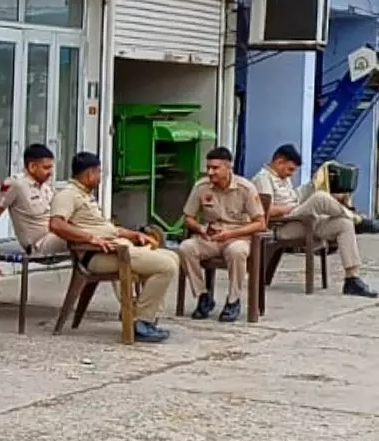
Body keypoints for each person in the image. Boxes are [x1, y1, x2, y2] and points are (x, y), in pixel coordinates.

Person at [47, 152, 176, 343]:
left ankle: (142, 316)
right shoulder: (67, 195)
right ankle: (142, 322)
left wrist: (134, 235)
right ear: (90, 173)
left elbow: (107, 229)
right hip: (97, 256)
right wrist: (90, 238)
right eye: (99, 173)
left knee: (172, 258)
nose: (100, 177)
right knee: (166, 266)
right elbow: (56, 225)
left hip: (115, 248)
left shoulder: (86, 196)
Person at [250, 144, 377, 298]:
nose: (291, 174)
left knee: (344, 224)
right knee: (320, 198)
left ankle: (352, 279)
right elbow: (266, 211)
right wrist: (293, 207)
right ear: (279, 162)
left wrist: (313, 184)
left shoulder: (283, 178)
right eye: (289, 169)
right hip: (284, 225)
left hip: (303, 220)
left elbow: (296, 197)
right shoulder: (262, 178)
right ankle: (358, 219)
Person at [180, 147, 267, 322]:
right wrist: (200, 228)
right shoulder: (201, 187)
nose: (210, 172)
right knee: (186, 248)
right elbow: (187, 218)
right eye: (208, 168)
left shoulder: (245, 188)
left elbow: (260, 223)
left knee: (237, 252)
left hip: (237, 237)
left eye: (215, 168)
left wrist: (230, 234)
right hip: (210, 237)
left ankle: (233, 301)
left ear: (228, 168)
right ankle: (203, 296)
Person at [0, 144, 67, 256]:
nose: (50, 172)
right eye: (46, 168)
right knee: (79, 235)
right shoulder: (16, 184)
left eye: (51, 167)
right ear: (32, 167)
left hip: (55, 236)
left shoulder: (46, 187)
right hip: (39, 245)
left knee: (88, 231)